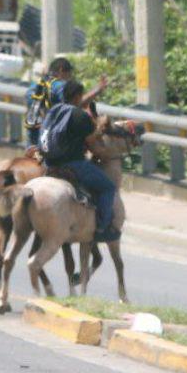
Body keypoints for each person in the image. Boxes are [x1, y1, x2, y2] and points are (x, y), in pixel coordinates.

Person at [38, 79, 120, 244]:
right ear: (77, 96)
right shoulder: (80, 117)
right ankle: (102, 229)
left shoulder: (55, 110)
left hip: (49, 163)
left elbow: (77, 104)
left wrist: (97, 90)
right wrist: (105, 155)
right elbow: (92, 146)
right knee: (108, 187)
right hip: (73, 165)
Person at [24, 56, 107, 147]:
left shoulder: (34, 86)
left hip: (31, 142)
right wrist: (98, 89)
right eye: (69, 74)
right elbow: (77, 103)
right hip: (51, 143)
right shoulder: (59, 85)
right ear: (61, 70)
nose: (70, 78)